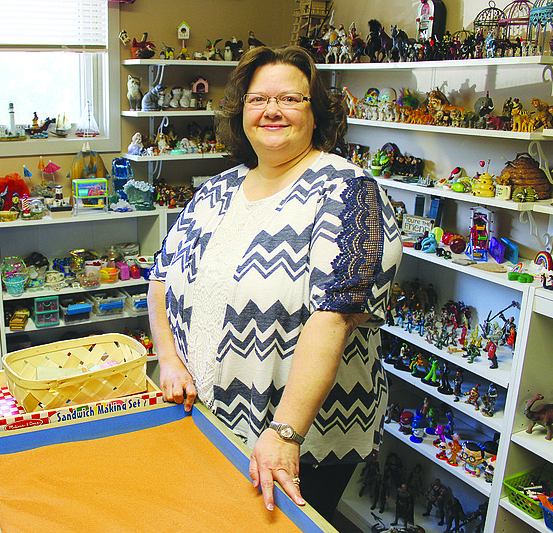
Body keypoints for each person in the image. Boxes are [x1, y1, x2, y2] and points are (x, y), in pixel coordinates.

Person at [147, 45, 402, 521]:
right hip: (210, 419)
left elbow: (335, 318)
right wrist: (169, 358)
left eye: (289, 98)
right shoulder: (216, 189)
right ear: (241, 110)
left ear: (316, 111)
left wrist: (285, 434)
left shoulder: (350, 192)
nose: (271, 110)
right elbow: (160, 279)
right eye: (257, 99)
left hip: (303, 440)